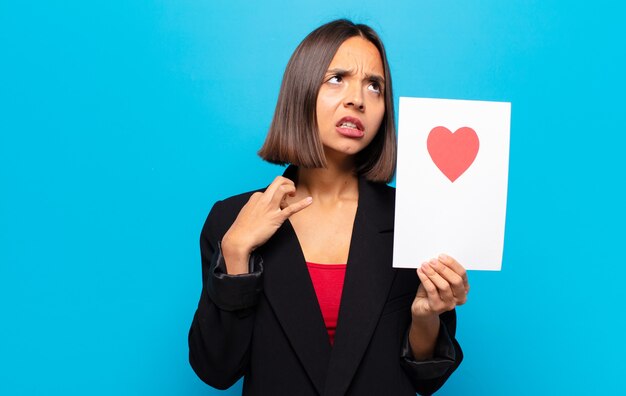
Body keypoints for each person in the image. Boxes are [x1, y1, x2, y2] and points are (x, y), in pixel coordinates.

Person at [188, 19, 469, 396]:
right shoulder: (231, 220)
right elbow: (216, 370)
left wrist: (425, 318)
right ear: (301, 90)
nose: (358, 98)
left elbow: (427, 378)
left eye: (374, 86)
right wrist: (236, 254)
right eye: (337, 78)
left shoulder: (413, 217)